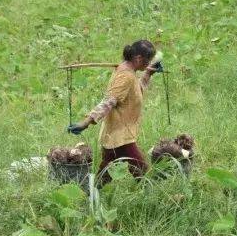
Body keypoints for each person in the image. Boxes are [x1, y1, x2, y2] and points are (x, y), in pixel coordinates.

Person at [67, 40, 164, 186]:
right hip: (121, 135)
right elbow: (109, 101)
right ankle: (151, 195)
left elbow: (136, 90)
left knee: (106, 172)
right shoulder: (125, 75)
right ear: (138, 59)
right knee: (142, 171)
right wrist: (86, 122)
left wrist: (148, 73)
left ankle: (91, 193)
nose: (148, 63)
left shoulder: (130, 73)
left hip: (117, 134)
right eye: (147, 61)